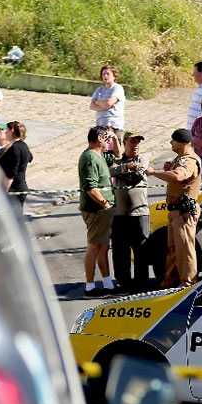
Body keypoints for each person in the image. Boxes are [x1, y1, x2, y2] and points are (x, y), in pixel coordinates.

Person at [145, 129, 201, 288]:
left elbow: (179, 176)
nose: (171, 143)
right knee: (174, 251)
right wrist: (169, 168)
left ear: (182, 143)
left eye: (174, 140)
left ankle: (187, 284)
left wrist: (155, 172)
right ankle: (171, 283)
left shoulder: (188, 161)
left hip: (183, 213)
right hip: (176, 212)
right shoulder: (181, 158)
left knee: (185, 251)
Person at [108, 132, 151, 293]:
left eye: (138, 142)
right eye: (132, 141)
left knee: (141, 249)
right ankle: (123, 281)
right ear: (124, 142)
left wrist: (120, 171)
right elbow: (108, 172)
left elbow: (137, 176)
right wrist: (125, 167)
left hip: (139, 212)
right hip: (119, 213)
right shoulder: (118, 160)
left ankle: (141, 283)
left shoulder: (143, 159)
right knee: (120, 251)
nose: (136, 145)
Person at [78, 126, 117, 297]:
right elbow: (90, 187)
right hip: (97, 210)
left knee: (103, 247)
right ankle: (89, 286)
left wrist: (115, 138)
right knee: (94, 247)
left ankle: (107, 283)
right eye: (107, 138)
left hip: (103, 210)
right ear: (99, 138)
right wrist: (105, 204)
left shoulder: (100, 156)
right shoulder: (89, 158)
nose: (108, 141)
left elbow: (118, 155)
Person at [0, 121, 33, 213]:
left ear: (11, 131)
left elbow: (11, 174)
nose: (4, 132)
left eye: (6, 130)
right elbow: (30, 158)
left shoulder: (15, 148)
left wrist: (3, 193)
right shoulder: (23, 145)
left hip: (13, 190)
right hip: (20, 187)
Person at [89, 64, 126, 142]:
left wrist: (98, 102)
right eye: (103, 74)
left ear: (114, 76)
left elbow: (109, 103)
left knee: (113, 151)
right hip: (100, 125)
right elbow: (92, 106)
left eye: (108, 74)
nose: (105, 76)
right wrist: (104, 106)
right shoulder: (99, 90)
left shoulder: (117, 88)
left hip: (114, 125)